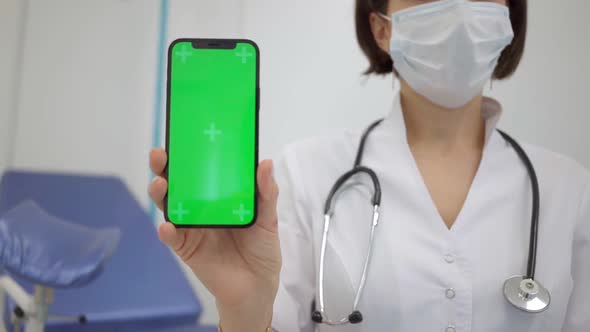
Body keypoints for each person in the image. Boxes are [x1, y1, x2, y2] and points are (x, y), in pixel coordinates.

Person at [148, 0, 590, 331]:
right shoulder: (307, 173)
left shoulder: (570, 189)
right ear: (382, 29)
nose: (458, 9)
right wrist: (243, 306)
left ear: (508, 19)